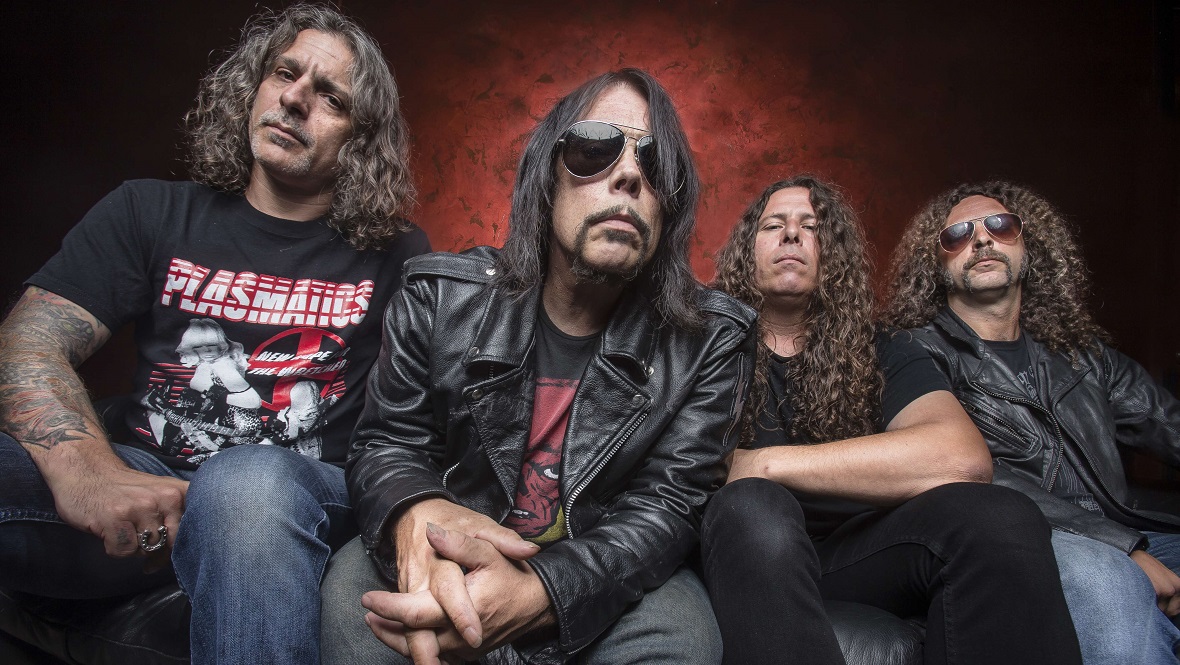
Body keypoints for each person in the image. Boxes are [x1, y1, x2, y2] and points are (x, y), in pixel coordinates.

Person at [0, 4, 430, 664]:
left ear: (360, 139)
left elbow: (420, 426)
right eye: (284, 73)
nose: (294, 99)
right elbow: (28, 340)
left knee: (244, 484)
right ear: (252, 86)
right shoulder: (148, 210)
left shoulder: (397, 255)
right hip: (148, 486)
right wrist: (90, 472)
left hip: (292, 499)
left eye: (331, 98)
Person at [319, 68, 755, 665]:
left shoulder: (710, 340)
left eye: (656, 164)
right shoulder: (439, 297)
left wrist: (544, 592)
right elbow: (388, 443)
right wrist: (419, 519)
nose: (629, 174)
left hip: (600, 563)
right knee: (356, 594)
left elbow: (667, 506)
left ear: (669, 206)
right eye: (594, 148)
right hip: (456, 541)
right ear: (546, 179)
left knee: (682, 634)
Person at [700, 176, 1082, 665]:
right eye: (774, 225)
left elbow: (961, 458)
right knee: (752, 504)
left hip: (853, 556)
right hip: (742, 551)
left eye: (811, 226)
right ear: (746, 250)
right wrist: (757, 483)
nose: (791, 234)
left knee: (1002, 515)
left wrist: (762, 463)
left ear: (834, 252)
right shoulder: (700, 343)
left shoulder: (882, 349)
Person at [885, 180, 1180, 664]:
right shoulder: (915, 353)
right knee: (1107, 579)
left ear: (1029, 247)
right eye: (958, 234)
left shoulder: (1085, 357)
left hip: (1125, 531)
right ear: (934, 263)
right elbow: (967, 472)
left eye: (1000, 226)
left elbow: (1167, 423)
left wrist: (1127, 542)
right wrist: (1122, 547)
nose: (982, 239)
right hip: (1032, 538)